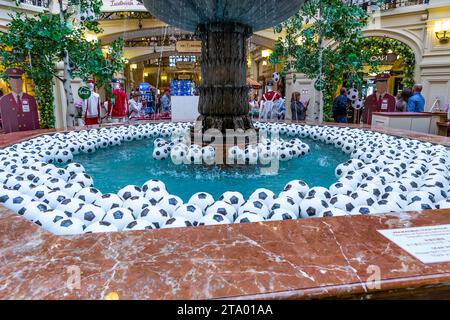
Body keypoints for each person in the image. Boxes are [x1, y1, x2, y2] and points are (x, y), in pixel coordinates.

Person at [0, 68, 40, 133]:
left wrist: (36, 134)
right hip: (14, 136)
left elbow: (35, 120)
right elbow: (5, 122)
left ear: (22, 81)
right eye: (13, 81)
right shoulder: (4, 100)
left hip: (29, 134)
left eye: (18, 80)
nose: (16, 84)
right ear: (9, 82)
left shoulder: (30, 99)